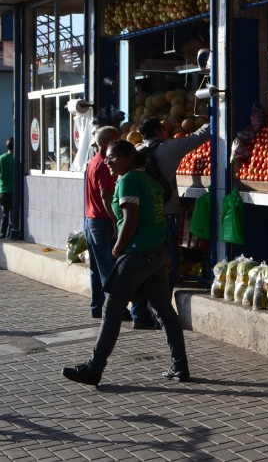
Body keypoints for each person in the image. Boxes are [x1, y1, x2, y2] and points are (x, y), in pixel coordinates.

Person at [62, 139, 190, 387]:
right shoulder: (151, 182)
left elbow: (131, 220)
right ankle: (180, 366)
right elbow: (149, 218)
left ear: (129, 157)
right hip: (156, 253)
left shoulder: (129, 180)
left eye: (113, 156)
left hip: (136, 252)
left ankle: (94, 368)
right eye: (106, 157)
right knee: (163, 310)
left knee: (111, 309)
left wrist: (118, 247)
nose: (107, 161)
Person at [84, 126, 154, 327]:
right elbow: (106, 196)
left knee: (97, 268)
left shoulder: (94, 161)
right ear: (105, 143)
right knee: (111, 269)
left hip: (92, 219)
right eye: (115, 140)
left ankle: (98, 306)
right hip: (102, 220)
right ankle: (121, 310)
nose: (120, 141)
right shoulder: (105, 165)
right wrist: (116, 221)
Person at [138, 116, 210, 288]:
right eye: (164, 129)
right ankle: (167, 288)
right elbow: (199, 137)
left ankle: (150, 290)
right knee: (168, 252)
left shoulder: (136, 151)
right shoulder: (169, 148)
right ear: (158, 131)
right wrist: (213, 118)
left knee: (147, 253)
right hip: (166, 212)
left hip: (142, 213)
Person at [0, 137, 14, 239]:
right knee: (13, 215)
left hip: (3, 191)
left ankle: (2, 233)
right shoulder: (16, 159)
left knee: (5, 213)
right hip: (13, 191)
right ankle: (11, 234)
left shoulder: (1, 158)